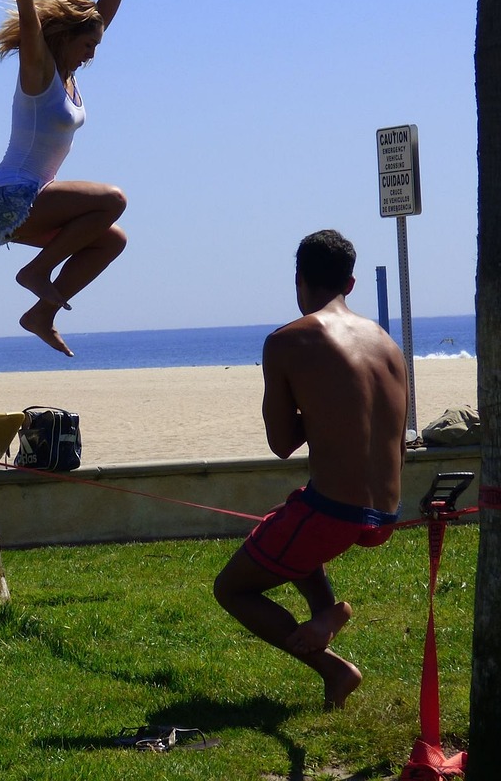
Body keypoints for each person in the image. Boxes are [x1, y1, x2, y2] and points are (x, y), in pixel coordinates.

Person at [213, 230, 408, 710]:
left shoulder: (287, 341)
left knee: (232, 588)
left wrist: (310, 403)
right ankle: (326, 611)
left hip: (334, 512)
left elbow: (281, 443)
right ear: (352, 282)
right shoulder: (386, 343)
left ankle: (334, 669)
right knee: (289, 524)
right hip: (384, 511)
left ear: (299, 280)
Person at [0, 0, 136, 357]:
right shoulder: (39, 73)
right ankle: (37, 271)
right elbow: (31, 24)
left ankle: (40, 316)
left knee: (112, 239)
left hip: (29, 201)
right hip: (10, 194)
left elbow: (99, 18)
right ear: (65, 38)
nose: (92, 54)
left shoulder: (69, 78)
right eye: (88, 45)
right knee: (113, 199)